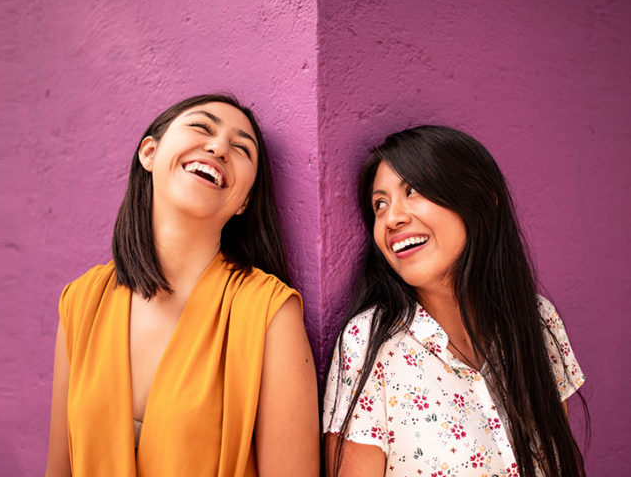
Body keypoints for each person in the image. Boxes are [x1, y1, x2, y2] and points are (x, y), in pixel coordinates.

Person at [45, 94, 319, 476]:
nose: (219, 147)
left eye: (242, 149)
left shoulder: (269, 312)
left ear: (244, 201)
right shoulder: (81, 302)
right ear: (149, 153)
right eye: (201, 127)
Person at [323, 126, 587, 477]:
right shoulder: (368, 344)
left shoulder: (538, 321)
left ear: (481, 200)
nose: (392, 218)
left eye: (412, 191)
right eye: (379, 204)